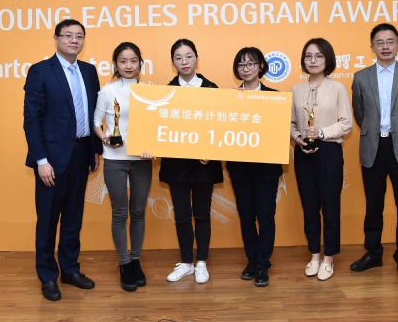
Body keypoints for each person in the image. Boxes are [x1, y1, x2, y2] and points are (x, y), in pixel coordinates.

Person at [23, 19, 102, 301]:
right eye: (68, 35)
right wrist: (41, 160)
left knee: (73, 218)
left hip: (81, 155)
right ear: (56, 39)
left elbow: (93, 114)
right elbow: (32, 120)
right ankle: (47, 276)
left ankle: (69, 270)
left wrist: (94, 150)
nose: (74, 40)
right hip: (51, 160)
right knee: (47, 220)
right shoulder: (40, 71)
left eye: (79, 36)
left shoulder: (89, 71)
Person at [349, 23, 398, 282]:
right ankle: (373, 253)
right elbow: (360, 114)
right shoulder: (361, 77)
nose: (385, 46)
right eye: (380, 42)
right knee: (373, 206)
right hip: (373, 148)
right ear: (372, 47)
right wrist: (374, 132)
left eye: (390, 41)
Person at [159, 39, 223, 284]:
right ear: (173, 62)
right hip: (177, 166)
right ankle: (187, 262)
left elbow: (221, 126)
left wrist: (212, 150)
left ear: (197, 58)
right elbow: (159, 128)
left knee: (202, 214)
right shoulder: (165, 92)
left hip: (204, 165)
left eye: (188, 56)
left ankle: (202, 262)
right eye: (178, 57)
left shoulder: (212, 89)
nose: (184, 62)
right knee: (182, 215)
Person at [93, 42, 154, 292]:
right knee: (120, 213)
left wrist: (152, 146)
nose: (128, 65)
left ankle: (136, 259)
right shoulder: (107, 91)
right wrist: (106, 139)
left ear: (141, 64)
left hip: (142, 160)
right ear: (115, 64)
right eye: (123, 61)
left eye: (133, 61)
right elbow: (96, 123)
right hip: (115, 159)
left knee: (138, 211)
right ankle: (124, 263)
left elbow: (156, 125)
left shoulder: (149, 91)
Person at [290, 38, 352, 282]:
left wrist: (322, 133)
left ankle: (329, 258)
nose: (313, 60)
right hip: (303, 153)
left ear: (328, 59)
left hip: (329, 152)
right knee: (309, 207)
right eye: (308, 56)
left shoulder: (337, 88)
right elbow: (290, 123)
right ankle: (314, 255)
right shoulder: (296, 90)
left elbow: (346, 123)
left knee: (330, 207)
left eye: (318, 56)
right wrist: (298, 138)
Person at [225, 47, 283, 287]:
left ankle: (262, 263)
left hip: (266, 170)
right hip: (240, 169)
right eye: (241, 65)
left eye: (250, 64)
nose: (246, 68)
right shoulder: (230, 99)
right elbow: (223, 132)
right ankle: (252, 260)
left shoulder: (275, 98)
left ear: (260, 66)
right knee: (247, 217)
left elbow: (279, 133)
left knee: (266, 217)